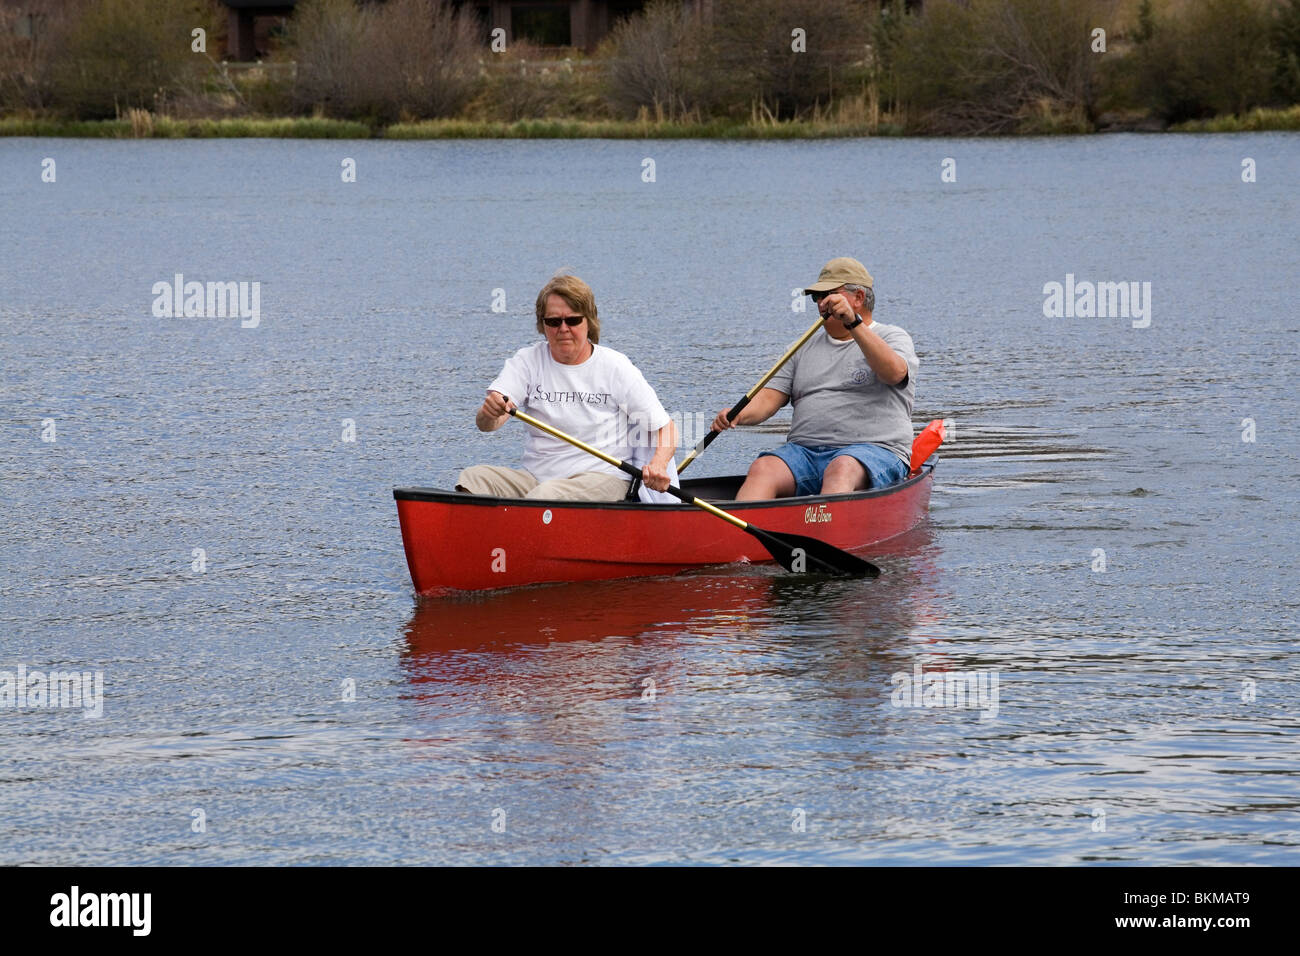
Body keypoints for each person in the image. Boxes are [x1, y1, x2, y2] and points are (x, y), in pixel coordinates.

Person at [711, 257, 918, 500]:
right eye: (816, 298)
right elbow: (768, 399)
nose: (821, 304)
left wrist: (853, 323)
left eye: (829, 295)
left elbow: (893, 373)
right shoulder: (800, 348)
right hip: (804, 453)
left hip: (875, 452)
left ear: (859, 298)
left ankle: (829, 532)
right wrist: (738, 415)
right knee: (763, 468)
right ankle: (736, 536)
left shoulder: (892, 336)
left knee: (841, 467)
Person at [458, 273, 677, 501]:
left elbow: (667, 428)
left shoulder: (615, 367)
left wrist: (658, 465)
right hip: (536, 480)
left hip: (602, 479)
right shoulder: (527, 361)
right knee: (472, 478)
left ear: (589, 322)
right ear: (542, 325)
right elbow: (487, 424)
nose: (563, 328)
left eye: (572, 320)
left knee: (547, 494)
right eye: (553, 322)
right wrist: (490, 412)